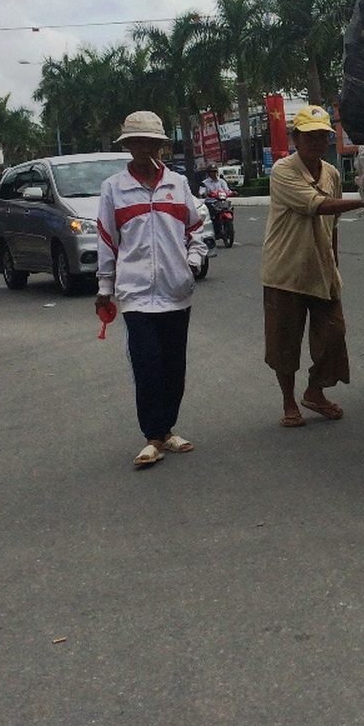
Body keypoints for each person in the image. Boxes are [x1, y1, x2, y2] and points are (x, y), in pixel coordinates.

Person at [96, 110, 208, 468]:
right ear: (128, 146)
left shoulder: (178, 183)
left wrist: (192, 263)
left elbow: (196, 229)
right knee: (147, 363)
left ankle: (166, 429)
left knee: (174, 366)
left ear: (160, 145)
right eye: (137, 142)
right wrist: (104, 286)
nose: (144, 148)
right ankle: (153, 437)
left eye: (151, 142)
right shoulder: (114, 188)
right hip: (136, 294)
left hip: (176, 292)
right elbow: (106, 240)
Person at [261, 104, 364, 427]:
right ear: (296, 139)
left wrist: (334, 264)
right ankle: (289, 402)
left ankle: (315, 391)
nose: (317, 142)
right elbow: (316, 205)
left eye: (322, 136)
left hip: (321, 268)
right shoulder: (283, 170)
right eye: (309, 136)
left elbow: (332, 224)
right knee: (284, 343)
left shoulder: (331, 173)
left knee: (334, 334)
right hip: (286, 271)